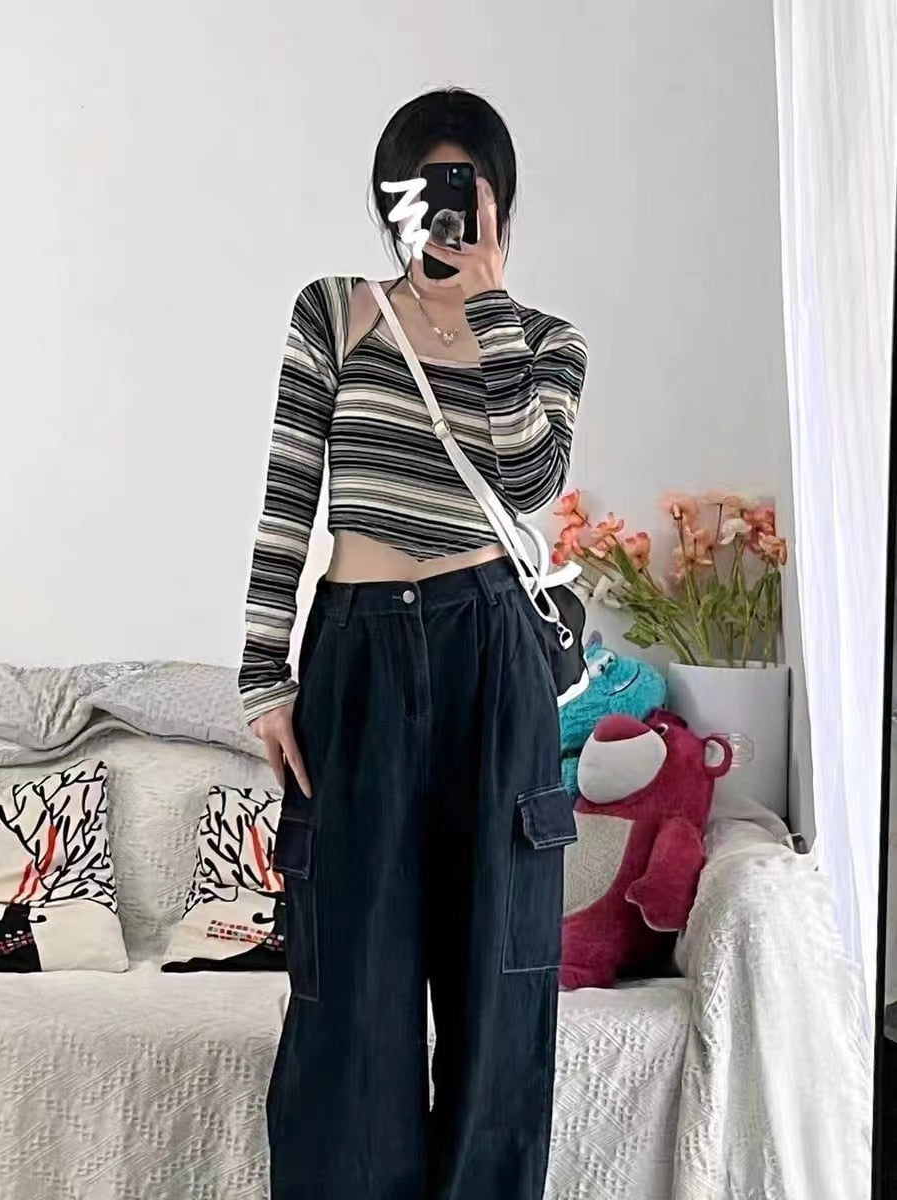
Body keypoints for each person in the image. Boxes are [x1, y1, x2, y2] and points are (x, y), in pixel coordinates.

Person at [239, 86, 589, 1200]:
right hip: (358, 657)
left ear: (498, 205)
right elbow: (288, 494)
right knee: (352, 991)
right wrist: (263, 672)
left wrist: (488, 308)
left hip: (492, 651)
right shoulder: (333, 313)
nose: (441, 215)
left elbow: (530, 481)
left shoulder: (545, 341)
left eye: (463, 193)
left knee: (500, 986)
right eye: (422, 191)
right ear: (390, 201)